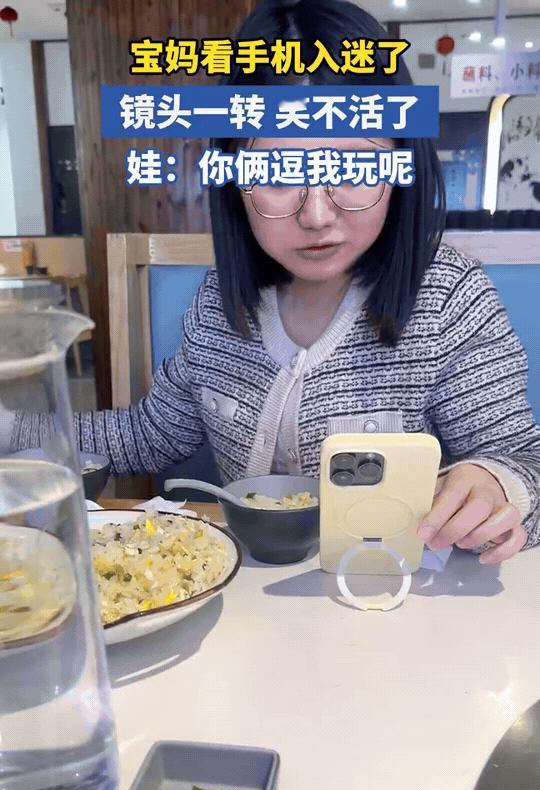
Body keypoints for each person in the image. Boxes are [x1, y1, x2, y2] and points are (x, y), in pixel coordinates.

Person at [12, 0, 540, 561]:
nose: (317, 215)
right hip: (244, 592)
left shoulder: (448, 298)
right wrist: (11, 428)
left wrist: (499, 487)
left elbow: (524, 462)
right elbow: (147, 435)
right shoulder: (218, 304)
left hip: (394, 593)